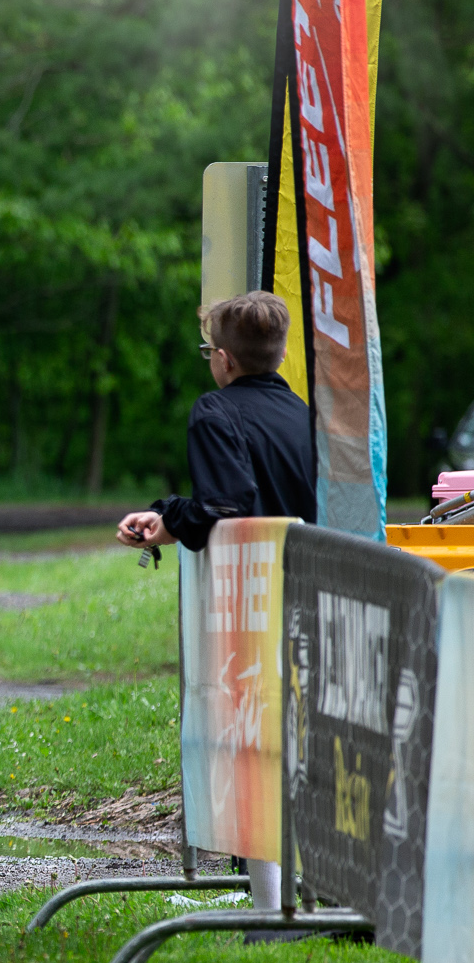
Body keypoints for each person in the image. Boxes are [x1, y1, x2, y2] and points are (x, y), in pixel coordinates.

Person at [116, 289, 313, 914]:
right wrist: (171, 518)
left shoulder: (214, 412)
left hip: (249, 600)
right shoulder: (307, 413)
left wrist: (171, 514)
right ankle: (303, 893)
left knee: (251, 741)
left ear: (223, 359)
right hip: (312, 592)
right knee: (297, 741)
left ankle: (267, 906)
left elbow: (225, 507)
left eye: (208, 351)